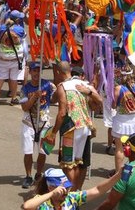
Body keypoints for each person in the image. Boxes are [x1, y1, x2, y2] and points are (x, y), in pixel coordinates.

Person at [45, 61, 101, 190]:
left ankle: (71, 193)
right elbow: (99, 100)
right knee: (79, 163)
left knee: (67, 164)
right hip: (85, 128)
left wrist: (53, 133)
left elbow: (62, 113)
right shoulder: (84, 84)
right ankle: (76, 192)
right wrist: (89, 92)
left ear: (58, 72)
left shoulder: (63, 86)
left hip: (70, 128)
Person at [19, 61, 55, 188]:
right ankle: (28, 176)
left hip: (44, 122)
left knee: (43, 152)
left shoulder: (48, 85)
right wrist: (34, 97)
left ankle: (38, 174)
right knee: (28, 151)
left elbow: (56, 99)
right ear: (31, 72)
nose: (36, 73)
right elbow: (24, 107)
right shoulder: (25, 89)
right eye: (34, 70)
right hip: (29, 122)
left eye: (39, 70)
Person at [21, 167, 121, 210]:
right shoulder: (41, 202)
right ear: (51, 187)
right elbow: (27, 206)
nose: (66, 191)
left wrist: (118, 175)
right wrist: (51, 194)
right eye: (63, 189)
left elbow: (98, 190)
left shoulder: (72, 198)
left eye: (67, 187)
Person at [111, 67, 135, 170]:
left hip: (122, 121)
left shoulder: (118, 88)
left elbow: (113, 106)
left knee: (119, 149)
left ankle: (118, 174)